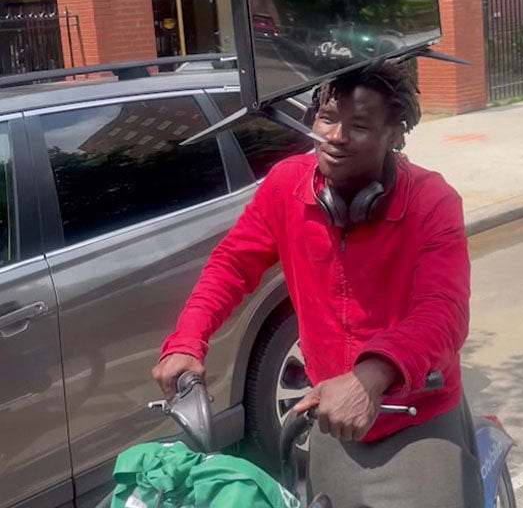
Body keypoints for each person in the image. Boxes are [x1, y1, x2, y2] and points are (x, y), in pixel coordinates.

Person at [153, 61, 481, 508]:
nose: (335, 136)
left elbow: (444, 311)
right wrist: (188, 339)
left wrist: (371, 376)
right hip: (331, 414)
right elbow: (230, 264)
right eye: (328, 118)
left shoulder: (432, 200)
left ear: (395, 134)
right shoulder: (285, 186)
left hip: (417, 416)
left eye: (359, 125)